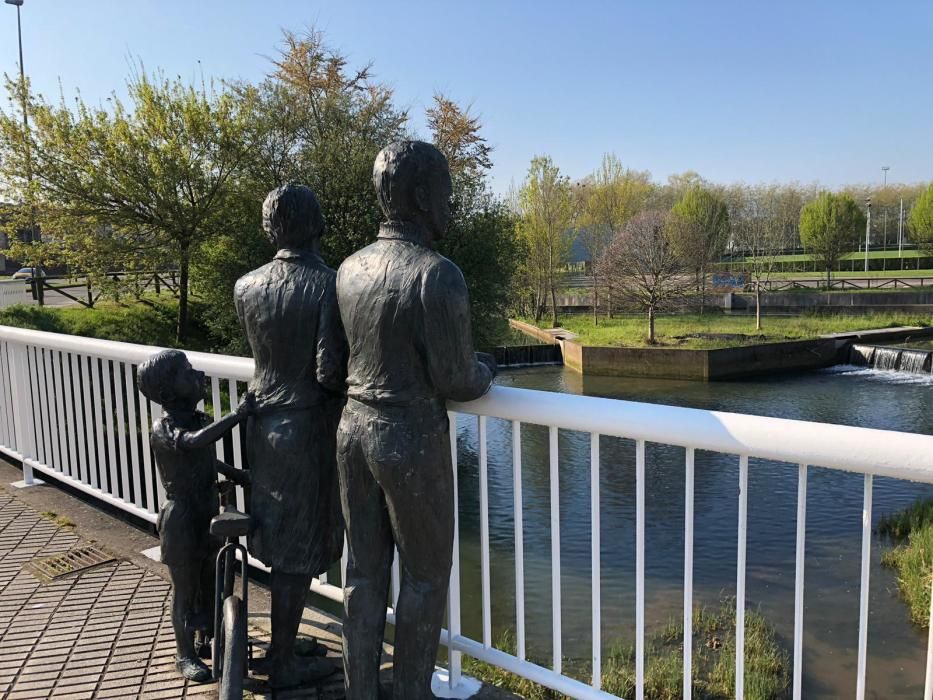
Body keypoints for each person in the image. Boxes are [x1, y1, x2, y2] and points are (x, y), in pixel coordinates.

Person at [336, 141, 496, 698]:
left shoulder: (350, 268)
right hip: (408, 435)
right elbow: (456, 378)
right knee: (425, 578)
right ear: (425, 196)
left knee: (362, 572)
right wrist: (486, 369)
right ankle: (409, 693)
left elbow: (336, 364)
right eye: (447, 191)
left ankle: (360, 691)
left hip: (352, 430)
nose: (452, 203)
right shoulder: (437, 275)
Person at [234, 184, 346, 688]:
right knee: (300, 545)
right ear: (316, 225)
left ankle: (284, 640)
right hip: (306, 427)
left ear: (269, 228)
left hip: (261, 423)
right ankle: (283, 662)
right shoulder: (328, 284)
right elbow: (327, 371)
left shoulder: (246, 286)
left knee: (277, 538)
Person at [138, 349, 251, 682]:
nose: (198, 374)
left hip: (206, 508)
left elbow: (207, 460)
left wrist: (239, 474)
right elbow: (192, 444)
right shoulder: (164, 427)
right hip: (181, 516)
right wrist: (237, 416)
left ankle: (208, 638)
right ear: (167, 393)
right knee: (185, 589)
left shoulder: (198, 419)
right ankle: (184, 653)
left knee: (210, 578)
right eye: (188, 373)